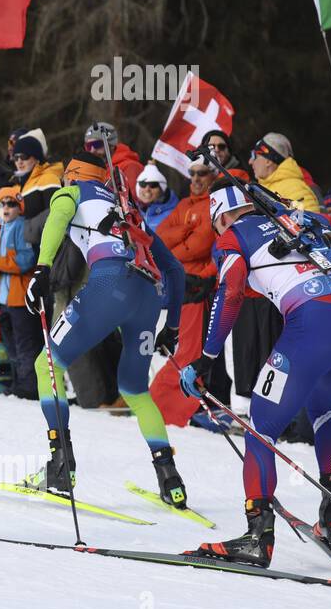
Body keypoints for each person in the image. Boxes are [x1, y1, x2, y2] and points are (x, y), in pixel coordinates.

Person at [180, 184, 331, 565]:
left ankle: (258, 536)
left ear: (221, 218)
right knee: (323, 407)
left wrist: (205, 358)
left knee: (259, 426)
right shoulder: (303, 220)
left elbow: (233, 290)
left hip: (312, 327)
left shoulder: (232, 238)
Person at [23, 151, 188, 507]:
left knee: (46, 365)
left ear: (72, 173)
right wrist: (171, 326)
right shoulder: (128, 207)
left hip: (107, 286)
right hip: (147, 296)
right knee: (134, 389)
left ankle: (60, 467)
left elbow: (58, 217)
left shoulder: (72, 191)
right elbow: (175, 270)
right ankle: (170, 479)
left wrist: (42, 268)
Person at [148, 156, 219, 428]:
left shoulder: (212, 204)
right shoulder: (184, 204)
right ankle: (166, 404)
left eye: (202, 173)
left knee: (191, 349)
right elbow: (160, 238)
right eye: (192, 173)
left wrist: (175, 252)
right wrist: (184, 233)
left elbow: (200, 245)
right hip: (180, 285)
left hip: (198, 284)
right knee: (183, 346)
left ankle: (168, 405)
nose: (196, 178)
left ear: (212, 175)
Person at [0, 185, 40, 398]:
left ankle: (29, 387)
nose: (6, 208)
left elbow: (25, 260)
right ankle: (19, 383)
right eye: (2, 204)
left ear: (20, 207)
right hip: (4, 298)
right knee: (12, 345)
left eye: (12, 204)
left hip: (19, 297)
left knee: (25, 345)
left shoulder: (20, 226)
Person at [249, 134, 319, 212]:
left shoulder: (295, 188)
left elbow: (310, 223)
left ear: (268, 161)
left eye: (254, 156)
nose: (250, 162)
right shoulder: (261, 188)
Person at [135, 163, 177, 233]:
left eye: (153, 185)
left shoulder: (174, 214)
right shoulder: (131, 211)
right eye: (143, 184)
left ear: (161, 189)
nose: (147, 189)